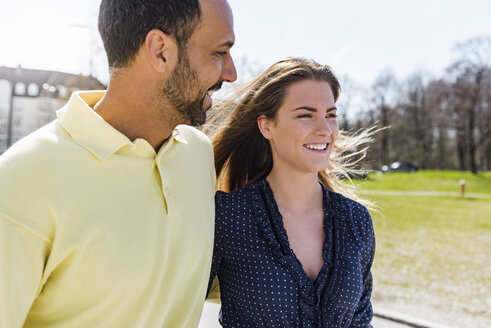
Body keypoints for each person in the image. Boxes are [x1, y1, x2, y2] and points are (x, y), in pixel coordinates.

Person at [0, 0, 236, 327]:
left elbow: (203, 276)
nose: (231, 72)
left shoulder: (197, 156)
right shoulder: (22, 179)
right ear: (160, 51)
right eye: (219, 52)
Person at [206, 57, 375, 327]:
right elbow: (175, 307)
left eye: (330, 115)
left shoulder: (356, 221)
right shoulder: (227, 216)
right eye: (306, 115)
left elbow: (361, 321)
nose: (324, 130)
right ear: (267, 126)